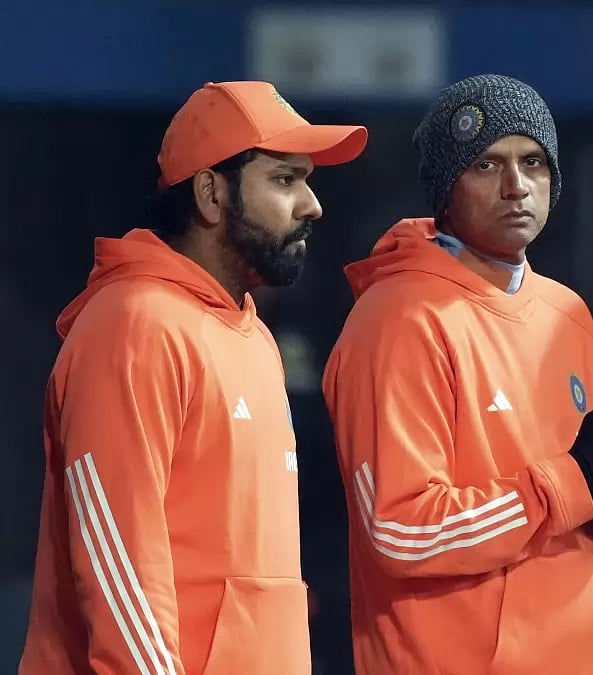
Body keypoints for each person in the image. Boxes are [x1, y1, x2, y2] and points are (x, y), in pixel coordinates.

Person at [322, 73, 593, 674]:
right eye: (486, 165)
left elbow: (575, 512)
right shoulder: (397, 319)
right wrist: (577, 480)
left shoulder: (566, 312)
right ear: (444, 189)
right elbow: (401, 531)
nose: (517, 186)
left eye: (534, 163)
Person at [19, 81, 368, 675]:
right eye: (285, 180)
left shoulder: (251, 334)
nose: (313, 205)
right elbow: (120, 574)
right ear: (211, 192)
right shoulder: (132, 325)